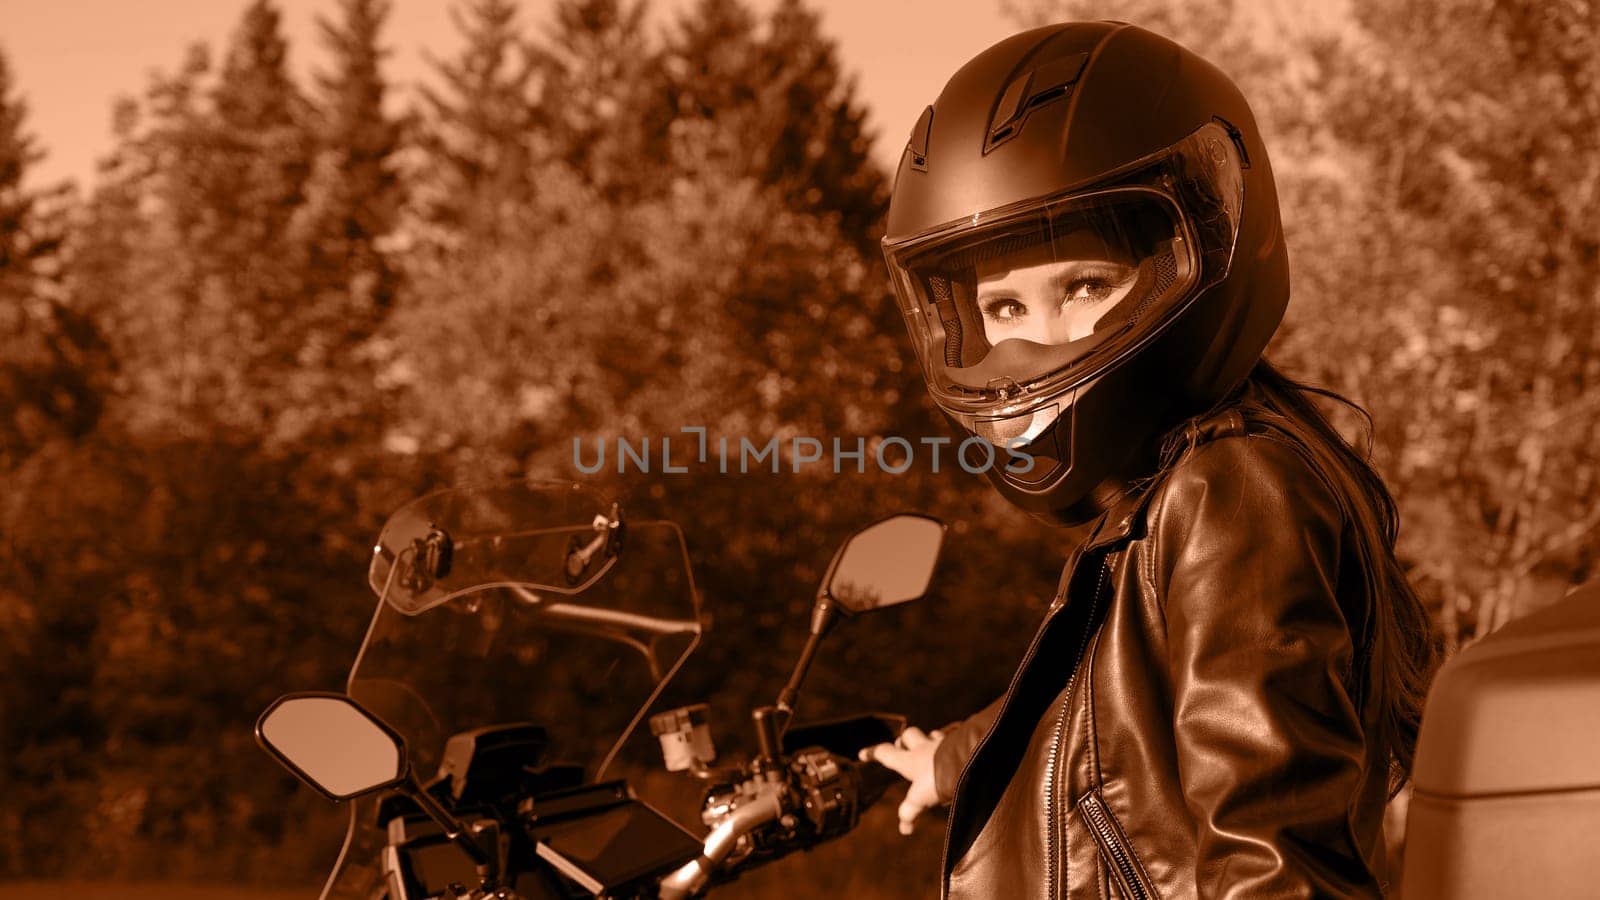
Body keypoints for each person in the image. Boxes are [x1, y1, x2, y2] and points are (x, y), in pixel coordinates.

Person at [859, 21, 1439, 899]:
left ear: (1199, 256)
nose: (1039, 343)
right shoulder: (1163, 504)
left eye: (1085, 288)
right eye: (1004, 310)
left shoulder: (1233, 489)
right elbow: (1112, 706)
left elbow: (1276, 857)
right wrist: (951, 758)